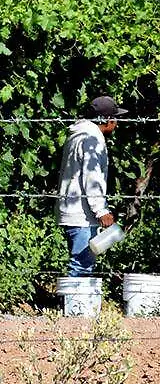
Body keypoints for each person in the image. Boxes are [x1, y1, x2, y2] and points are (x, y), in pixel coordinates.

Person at [56, 95, 127, 278]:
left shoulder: (78, 134)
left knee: (81, 262)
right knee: (81, 265)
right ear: (107, 120)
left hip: (72, 208)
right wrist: (101, 210)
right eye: (115, 118)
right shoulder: (93, 139)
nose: (116, 123)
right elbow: (92, 175)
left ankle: (76, 303)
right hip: (82, 214)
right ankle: (76, 306)